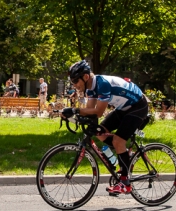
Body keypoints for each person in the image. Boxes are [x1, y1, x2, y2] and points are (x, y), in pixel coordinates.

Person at [61, 60, 149, 195]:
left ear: (85, 77)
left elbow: (98, 112)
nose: (75, 85)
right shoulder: (90, 88)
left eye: (75, 81)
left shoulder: (102, 84)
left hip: (138, 106)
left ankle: (125, 183)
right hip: (124, 108)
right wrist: (72, 116)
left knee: (118, 141)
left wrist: (74, 110)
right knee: (100, 133)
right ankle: (125, 156)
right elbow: (89, 110)